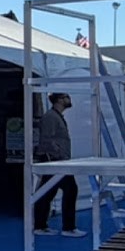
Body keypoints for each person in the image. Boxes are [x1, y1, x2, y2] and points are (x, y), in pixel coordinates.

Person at [34, 92, 83, 236]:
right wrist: (57, 154)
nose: (69, 99)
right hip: (55, 161)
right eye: (66, 97)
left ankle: (40, 225)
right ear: (59, 100)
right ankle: (68, 227)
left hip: (59, 160)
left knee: (47, 192)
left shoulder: (56, 116)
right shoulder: (51, 117)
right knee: (70, 190)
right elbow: (46, 139)